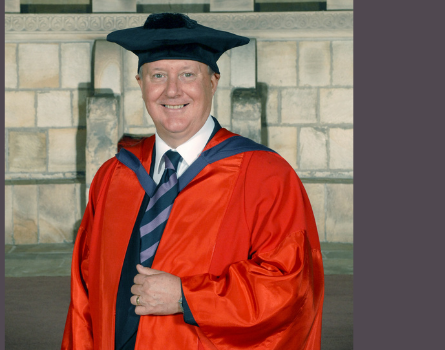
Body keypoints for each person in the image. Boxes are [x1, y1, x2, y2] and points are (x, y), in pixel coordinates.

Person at [62, 13, 324, 350]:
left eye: (187, 74)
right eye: (158, 75)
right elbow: (84, 295)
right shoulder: (114, 176)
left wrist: (187, 297)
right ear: (140, 83)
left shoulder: (265, 175)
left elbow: (291, 286)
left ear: (212, 82)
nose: (172, 90)